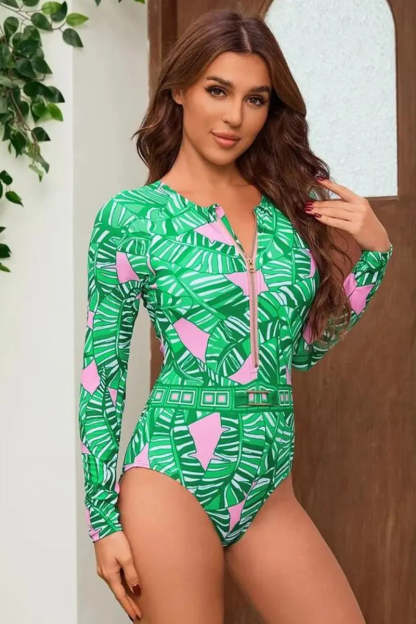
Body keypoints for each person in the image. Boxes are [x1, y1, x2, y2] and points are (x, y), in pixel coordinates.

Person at [77, 9, 393, 624]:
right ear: (179, 90)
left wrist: (373, 259)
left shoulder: (287, 210)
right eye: (217, 91)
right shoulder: (132, 218)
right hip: (170, 474)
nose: (234, 117)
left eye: (255, 99)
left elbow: (297, 352)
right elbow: (101, 376)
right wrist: (102, 523)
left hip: (268, 486)